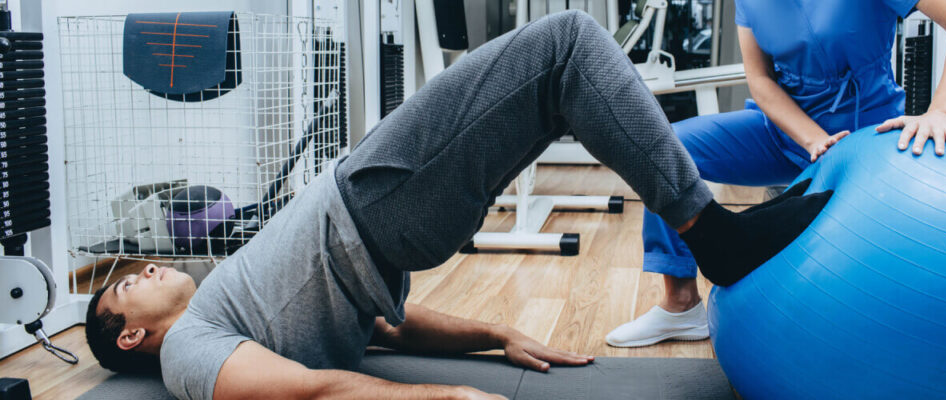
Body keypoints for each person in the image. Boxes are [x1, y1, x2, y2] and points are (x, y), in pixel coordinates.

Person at [85, 11, 833, 400]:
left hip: (384, 220)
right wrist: (440, 395)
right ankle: (711, 231)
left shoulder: (227, 309)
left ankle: (706, 223)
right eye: (127, 287)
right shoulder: (189, 351)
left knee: (560, 87)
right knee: (567, 46)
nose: (144, 268)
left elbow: (376, 322)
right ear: (129, 340)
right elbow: (307, 391)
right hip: (374, 199)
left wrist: (494, 335)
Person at [605, 0, 946, 348]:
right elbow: (760, 80)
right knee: (665, 147)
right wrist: (813, 141)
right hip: (787, 132)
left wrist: (942, 112)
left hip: (866, 135)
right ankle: (681, 305)